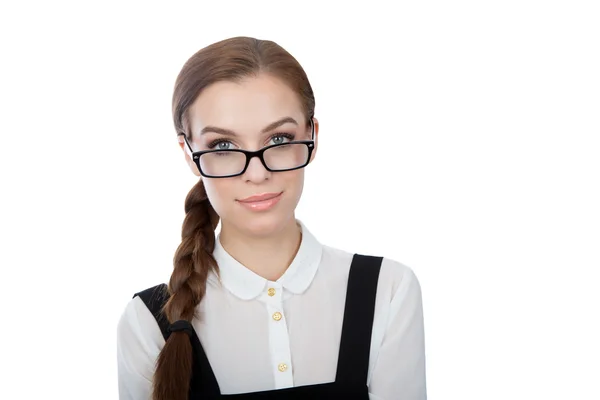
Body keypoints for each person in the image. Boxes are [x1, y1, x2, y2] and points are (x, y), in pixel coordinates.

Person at [117, 36, 427, 400]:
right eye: (223, 146)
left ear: (312, 135)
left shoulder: (388, 291)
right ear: (188, 153)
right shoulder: (147, 324)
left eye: (279, 138)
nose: (257, 173)